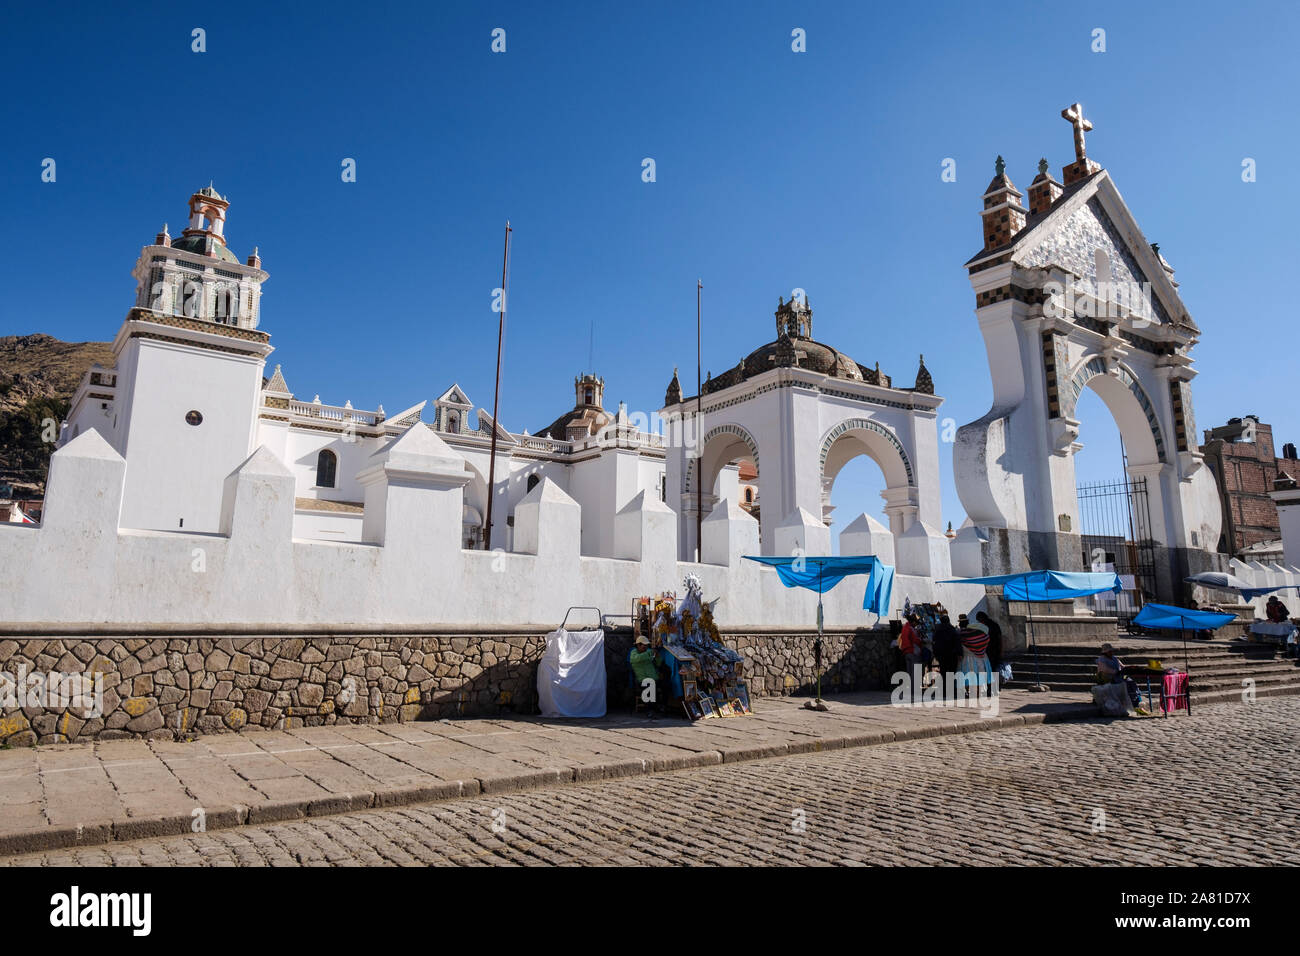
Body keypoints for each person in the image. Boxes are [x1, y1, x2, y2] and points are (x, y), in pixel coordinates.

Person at [1096, 643, 1143, 710]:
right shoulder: (1101, 660)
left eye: (1111, 651)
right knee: (1125, 683)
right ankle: (1133, 703)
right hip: (1108, 678)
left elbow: (1122, 666)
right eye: (1110, 651)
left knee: (1131, 682)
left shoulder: (1115, 658)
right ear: (1105, 652)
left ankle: (1137, 701)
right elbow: (1105, 669)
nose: (1111, 652)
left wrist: (1129, 669)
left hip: (1119, 676)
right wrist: (1116, 671)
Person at [958, 616, 993, 697]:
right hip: (981, 658)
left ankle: (967, 691)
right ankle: (979, 691)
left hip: (967, 658)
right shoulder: (979, 633)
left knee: (966, 675)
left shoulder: (961, 634)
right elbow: (986, 639)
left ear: (960, 624)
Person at [628, 635, 664, 714]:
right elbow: (637, 659)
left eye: (646, 646)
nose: (645, 648)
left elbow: (658, 664)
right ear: (638, 645)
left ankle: (660, 706)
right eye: (644, 646)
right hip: (642, 680)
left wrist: (657, 657)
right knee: (650, 685)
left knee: (666, 685)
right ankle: (650, 709)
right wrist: (650, 652)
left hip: (654, 678)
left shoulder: (648, 652)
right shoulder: (634, 653)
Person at [932, 613, 962, 700]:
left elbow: (934, 643)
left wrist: (936, 654)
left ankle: (944, 691)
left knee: (943, 672)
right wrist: (959, 653)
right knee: (952, 673)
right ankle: (951, 691)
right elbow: (957, 642)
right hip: (951, 655)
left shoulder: (937, 630)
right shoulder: (952, 629)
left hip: (942, 655)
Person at [899, 613, 924, 701]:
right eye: (916, 622)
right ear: (913, 622)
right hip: (913, 651)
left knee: (909, 673)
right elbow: (916, 640)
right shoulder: (911, 629)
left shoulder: (905, 627)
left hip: (906, 652)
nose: (916, 624)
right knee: (915, 673)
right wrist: (921, 641)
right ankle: (914, 691)